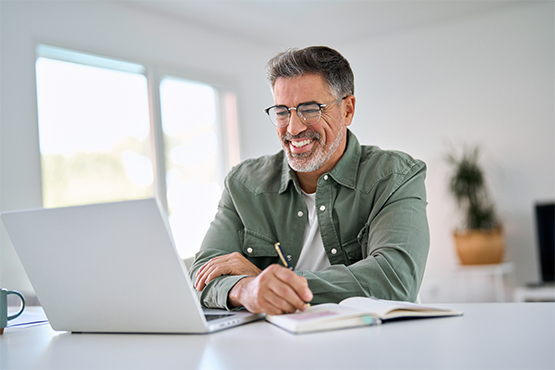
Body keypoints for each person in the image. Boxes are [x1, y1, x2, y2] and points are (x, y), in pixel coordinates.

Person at [189, 46, 429, 315]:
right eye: (282, 112)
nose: (293, 128)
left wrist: (270, 281)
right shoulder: (243, 183)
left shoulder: (395, 175)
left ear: (347, 110)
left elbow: (395, 279)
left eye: (310, 109)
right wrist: (247, 289)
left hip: (373, 342)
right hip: (274, 346)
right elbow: (203, 273)